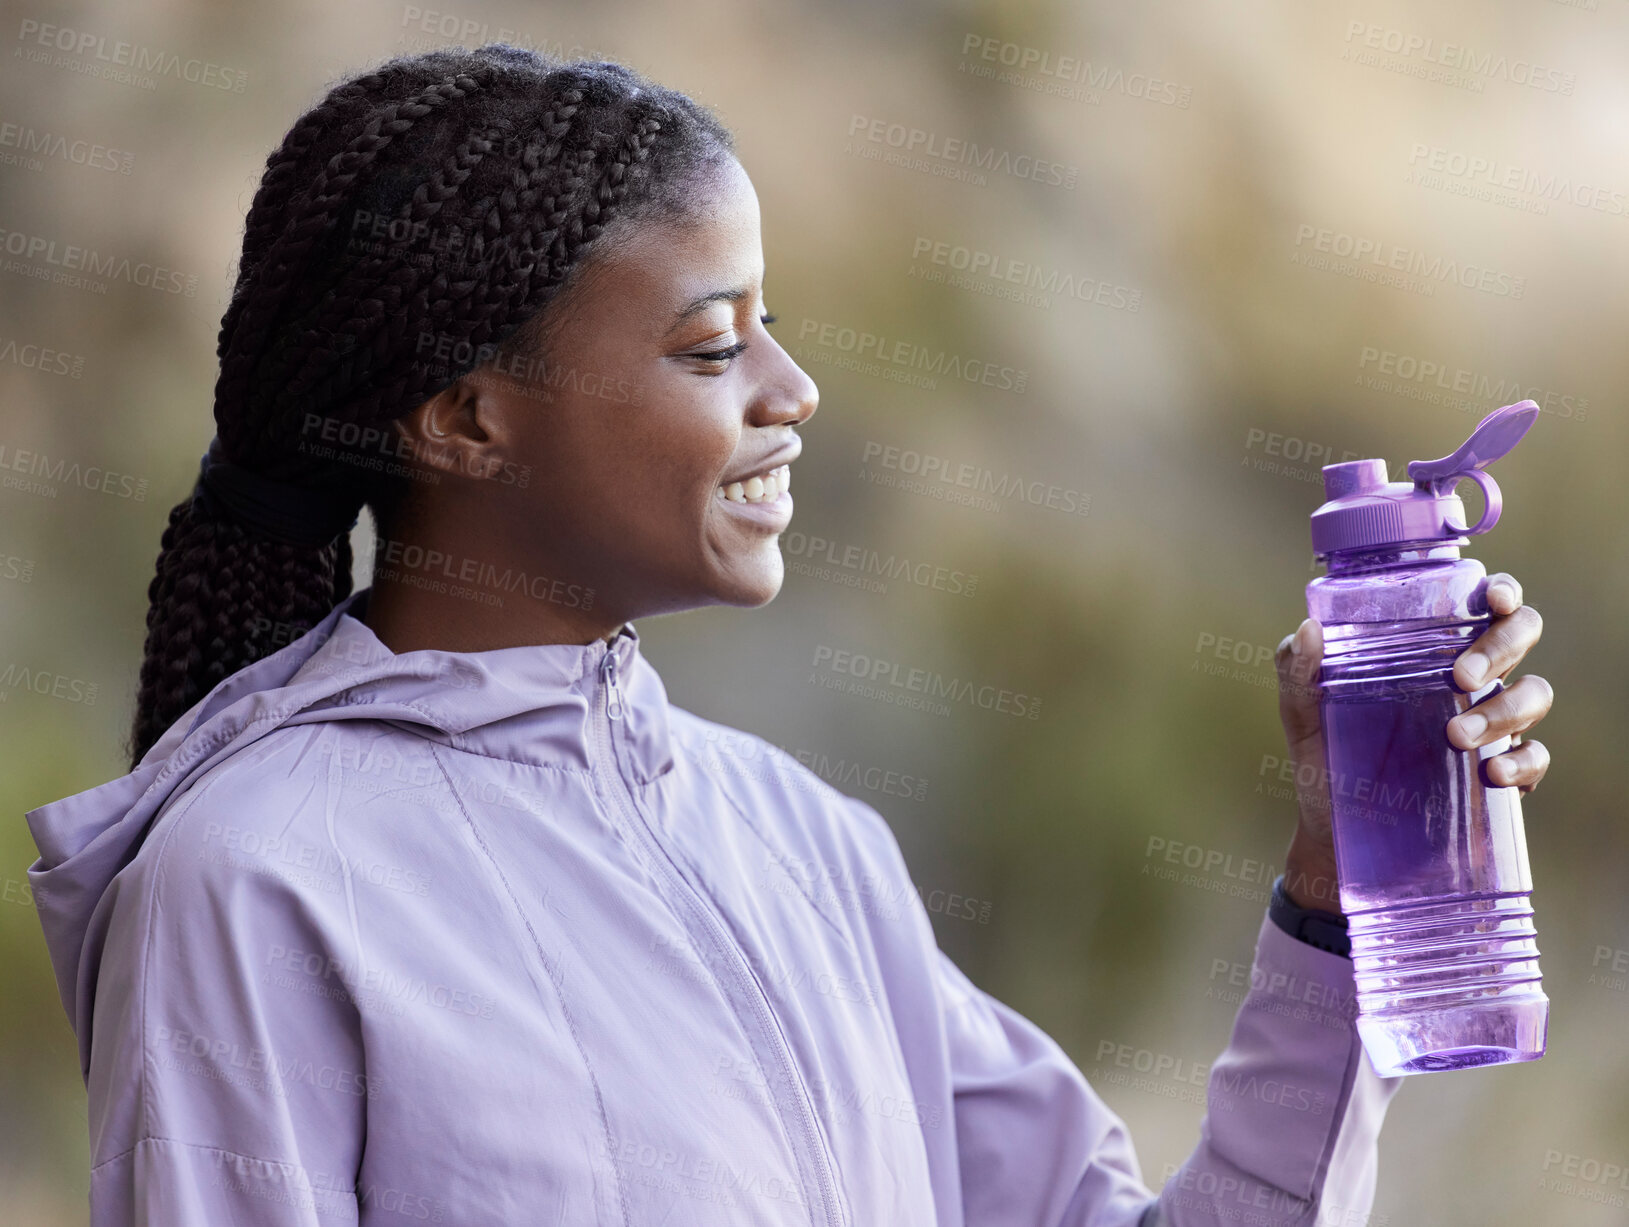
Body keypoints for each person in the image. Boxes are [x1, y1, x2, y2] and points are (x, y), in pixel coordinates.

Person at [23, 44, 1554, 1226]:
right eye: (709, 343)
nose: (791, 385)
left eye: (769, 321)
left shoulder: (802, 842)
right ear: (467, 420)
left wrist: (1340, 877)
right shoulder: (255, 878)